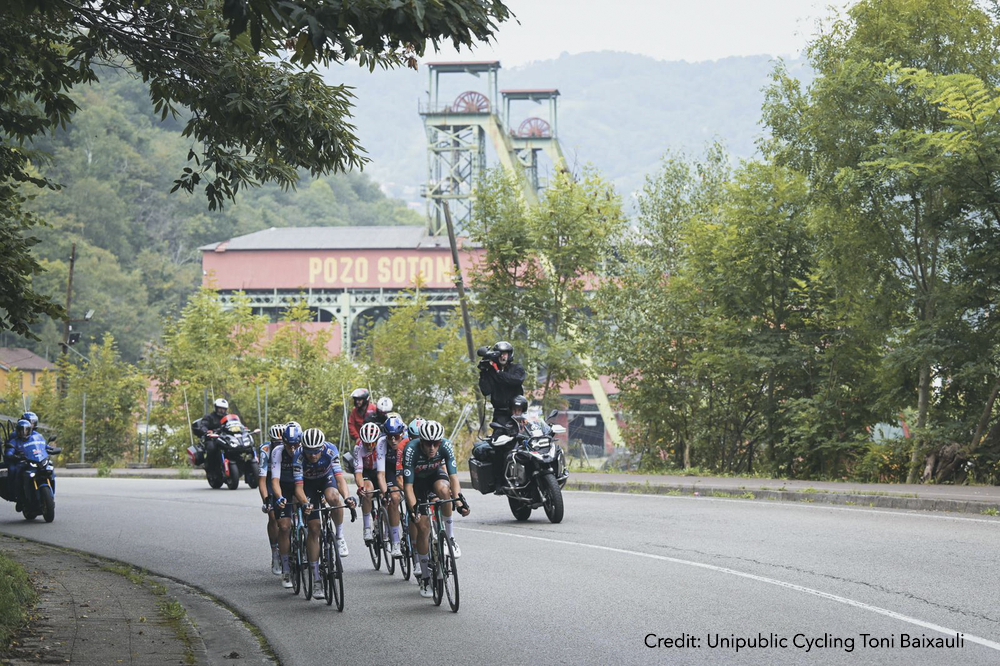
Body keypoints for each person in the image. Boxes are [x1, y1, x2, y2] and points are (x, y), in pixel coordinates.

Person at [402, 420, 470, 598]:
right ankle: (425, 577)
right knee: (423, 528)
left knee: (445, 490)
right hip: (416, 484)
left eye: (436, 443)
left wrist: (459, 502)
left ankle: (450, 538)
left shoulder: (445, 446)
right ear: (421, 441)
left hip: (434, 476)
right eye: (428, 443)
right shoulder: (411, 450)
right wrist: (414, 509)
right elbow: (408, 487)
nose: (432, 447)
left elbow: (453, 478)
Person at [294, 428, 355, 599]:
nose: (313, 455)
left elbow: (340, 479)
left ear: (322, 447)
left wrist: (347, 497)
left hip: (326, 479)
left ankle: (339, 536)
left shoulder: (330, 450)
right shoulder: (298, 456)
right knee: (314, 529)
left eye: (316, 451)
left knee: (334, 497)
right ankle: (316, 579)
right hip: (307, 485)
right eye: (309, 451)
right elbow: (298, 488)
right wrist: (305, 503)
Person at [269, 421, 304, 588]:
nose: (292, 448)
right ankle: (286, 569)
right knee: (283, 527)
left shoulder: (304, 451)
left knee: (313, 522)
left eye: (295, 444)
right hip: (284, 486)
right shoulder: (277, 452)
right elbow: (274, 480)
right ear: (283, 443)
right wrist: (279, 497)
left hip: (301, 485)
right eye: (289, 445)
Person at [477, 341, 526, 436]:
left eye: (504, 354)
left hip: (516, 412)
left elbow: (516, 380)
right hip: (499, 413)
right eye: (499, 354)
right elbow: (486, 391)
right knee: (498, 438)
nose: (502, 356)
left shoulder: (517, 368)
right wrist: (484, 373)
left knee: (519, 437)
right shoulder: (492, 371)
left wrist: (499, 373)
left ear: (509, 354)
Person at [379, 416, 407, 558]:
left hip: (406, 467)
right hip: (390, 469)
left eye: (396, 436)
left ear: (402, 433)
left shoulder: (408, 441)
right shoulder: (381, 443)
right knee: (394, 498)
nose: (393, 440)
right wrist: (385, 493)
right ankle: (395, 542)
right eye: (390, 437)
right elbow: (380, 474)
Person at [354, 422, 386, 544]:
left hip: (381, 471)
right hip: (367, 472)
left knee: (386, 495)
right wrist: (361, 487)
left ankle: (385, 523)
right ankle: (367, 527)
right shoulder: (358, 448)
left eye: (372, 443)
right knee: (367, 491)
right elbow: (358, 473)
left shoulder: (382, 444)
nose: (369, 446)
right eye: (366, 444)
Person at [258, 423, 284, 575]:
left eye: (282, 442)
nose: (279, 446)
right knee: (273, 516)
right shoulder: (265, 450)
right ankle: (275, 553)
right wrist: (266, 501)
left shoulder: (290, 447)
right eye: (276, 443)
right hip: (269, 479)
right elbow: (262, 481)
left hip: (284, 477)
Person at [3, 419, 45, 511]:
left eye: (26, 430)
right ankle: (18, 495)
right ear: (18, 431)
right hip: (21, 462)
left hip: (34, 461)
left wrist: (49, 449)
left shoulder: (34, 438)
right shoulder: (14, 441)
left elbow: (42, 446)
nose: (24, 433)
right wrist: (15, 456)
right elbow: (9, 452)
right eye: (21, 430)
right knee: (16, 471)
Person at [192, 398, 230, 472]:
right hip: (212, 438)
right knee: (211, 448)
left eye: (223, 409)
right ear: (216, 408)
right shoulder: (209, 417)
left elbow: (233, 424)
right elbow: (203, 425)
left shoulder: (228, 417)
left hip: (225, 437)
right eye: (220, 408)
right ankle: (209, 466)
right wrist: (206, 431)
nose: (222, 410)